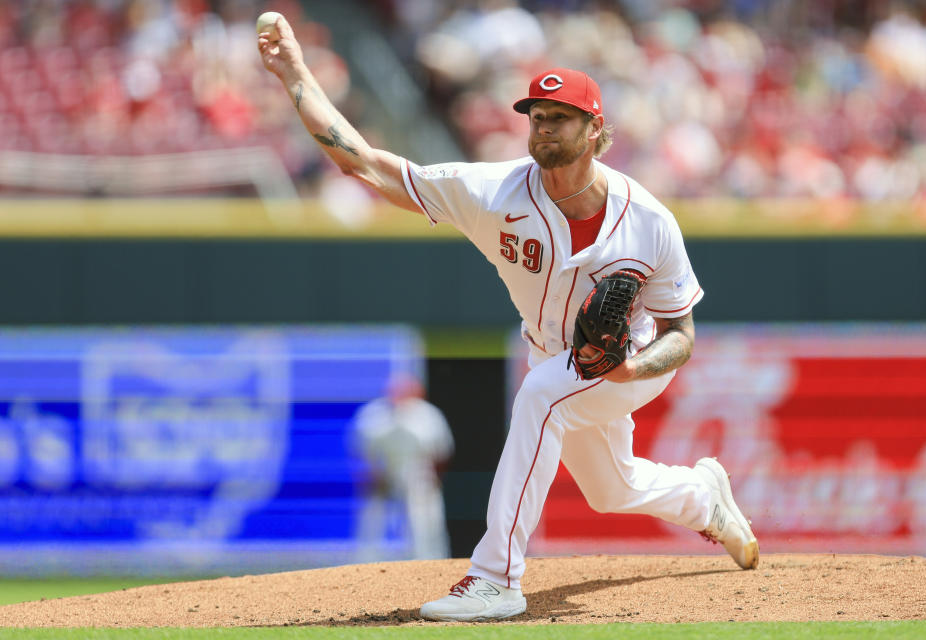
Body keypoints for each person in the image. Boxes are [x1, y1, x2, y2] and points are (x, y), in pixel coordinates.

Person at [258, 16, 759, 622]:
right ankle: (705, 498)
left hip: (633, 358)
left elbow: (682, 334)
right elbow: (366, 165)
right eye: (537, 116)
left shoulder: (647, 220)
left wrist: (631, 369)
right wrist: (295, 73)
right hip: (553, 352)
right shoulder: (492, 191)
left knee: (541, 398)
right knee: (611, 489)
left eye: (560, 117)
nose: (543, 127)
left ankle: (495, 577)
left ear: (595, 128)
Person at [351, 375, 454, 562]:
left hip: (418, 472)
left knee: (425, 521)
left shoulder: (429, 416)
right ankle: (365, 565)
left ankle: (431, 564)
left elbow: (442, 453)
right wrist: (372, 475)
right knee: (372, 518)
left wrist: (433, 479)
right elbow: (360, 451)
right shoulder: (374, 414)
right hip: (382, 472)